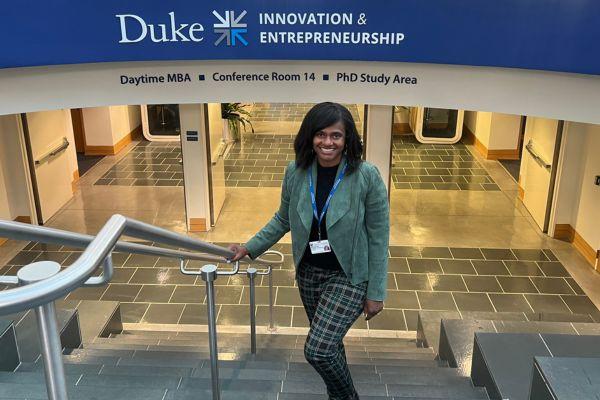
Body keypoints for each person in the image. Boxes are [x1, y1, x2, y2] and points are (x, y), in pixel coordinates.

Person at [229, 102, 389, 400]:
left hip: (350, 277)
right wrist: (249, 247)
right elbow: (282, 218)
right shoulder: (296, 172)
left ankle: (346, 396)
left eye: (336, 136)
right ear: (310, 137)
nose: (328, 142)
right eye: (321, 134)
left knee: (318, 349)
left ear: (347, 139)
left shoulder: (366, 176)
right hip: (310, 275)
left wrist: (376, 292)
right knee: (331, 344)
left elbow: (379, 236)